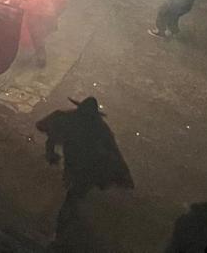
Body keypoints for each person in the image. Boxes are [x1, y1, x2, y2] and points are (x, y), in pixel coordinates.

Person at [36, 96, 134, 241]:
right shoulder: (88, 124)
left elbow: (112, 152)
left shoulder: (78, 121)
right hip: (81, 167)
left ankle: (63, 230)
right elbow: (50, 132)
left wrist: (51, 152)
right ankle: (64, 229)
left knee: (73, 195)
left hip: (87, 168)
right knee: (74, 195)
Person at [0, 0, 69, 68]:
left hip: (37, 14)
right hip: (32, 13)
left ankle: (40, 57)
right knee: (32, 34)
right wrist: (8, 2)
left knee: (36, 35)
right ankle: (33, 54)